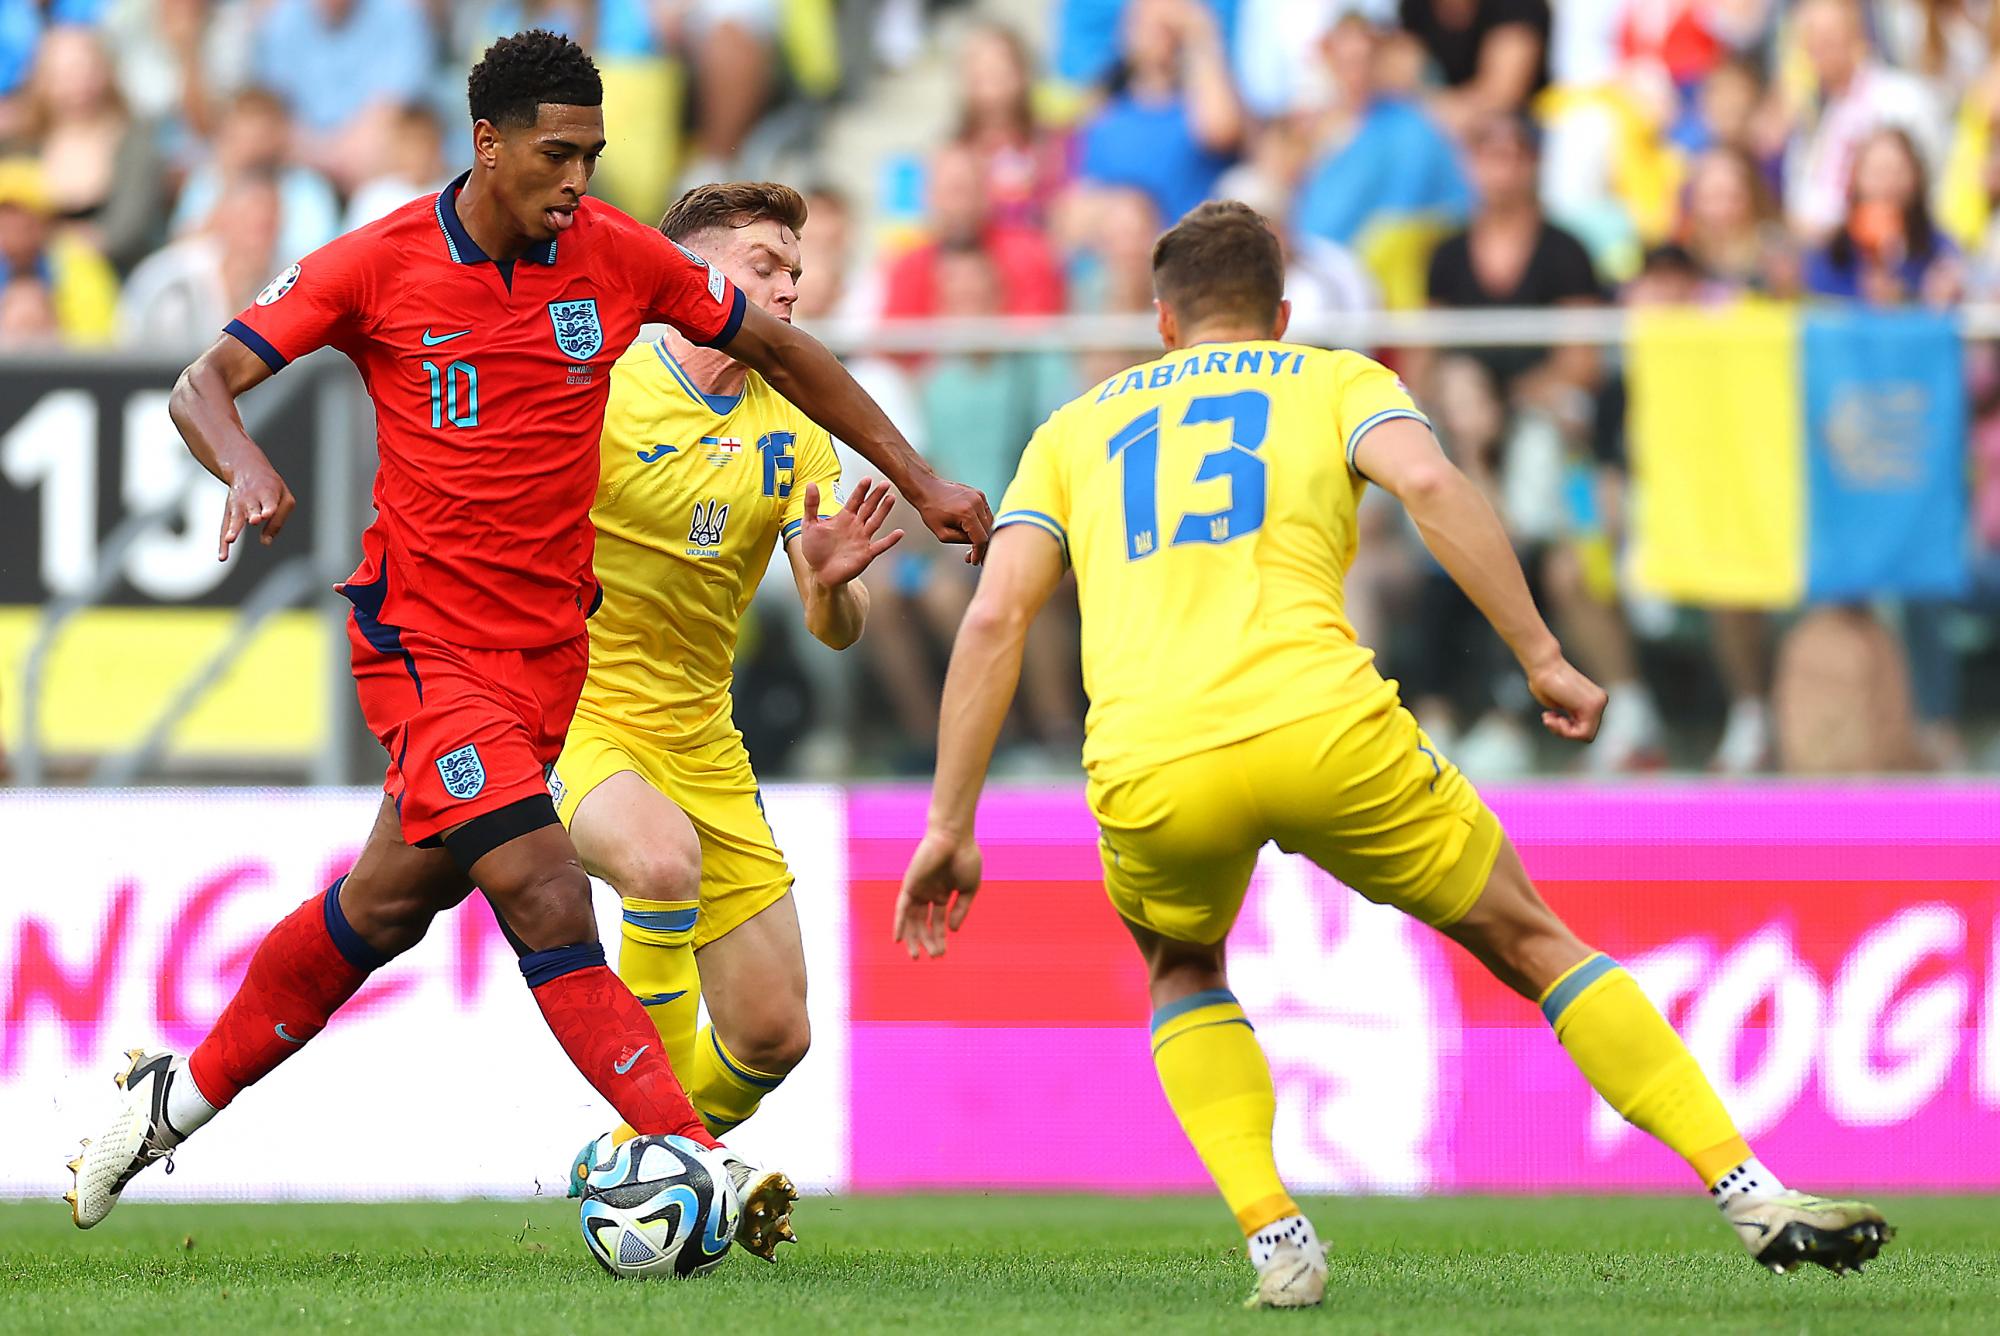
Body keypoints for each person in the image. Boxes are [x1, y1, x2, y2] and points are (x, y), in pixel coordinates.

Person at [68, 29, 991, 1247]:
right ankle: (691, 1158)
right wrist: (242, 465)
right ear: (487, 144)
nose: (577, 180)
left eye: (592, 155)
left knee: (381, 909)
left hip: (547, 661)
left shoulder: (613, 255)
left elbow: (777, 349)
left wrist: (919, 479)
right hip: (424, 652)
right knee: (550, 892)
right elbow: (203, 385)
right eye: (556, 154)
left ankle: (170, 1101)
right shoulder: (377, 260)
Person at [893, 201, 1892, 1309]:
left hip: (1154, 754)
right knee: (1529, 938)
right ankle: (1748, 1190)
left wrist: (949, 822)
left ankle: (1276, 1238)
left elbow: (995, 618)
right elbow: (1430, 486)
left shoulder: (1072, 430)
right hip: (1325, 728)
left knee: (1180, 966)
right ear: (1280, 314)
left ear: (1161, 322)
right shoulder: (1332, 378)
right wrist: (1543, 657)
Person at [551, 182, 900, 1187]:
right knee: (659, 863)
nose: (789, 288)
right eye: (764, 267)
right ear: (692, 275)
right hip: (574, 712)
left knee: (772, 1034)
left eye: (795, 271)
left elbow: (836, 630)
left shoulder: (797, 423)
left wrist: (828, 584)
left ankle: (638, 1166)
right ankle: (656, 1156)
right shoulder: (602, 384)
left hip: (703, 736)